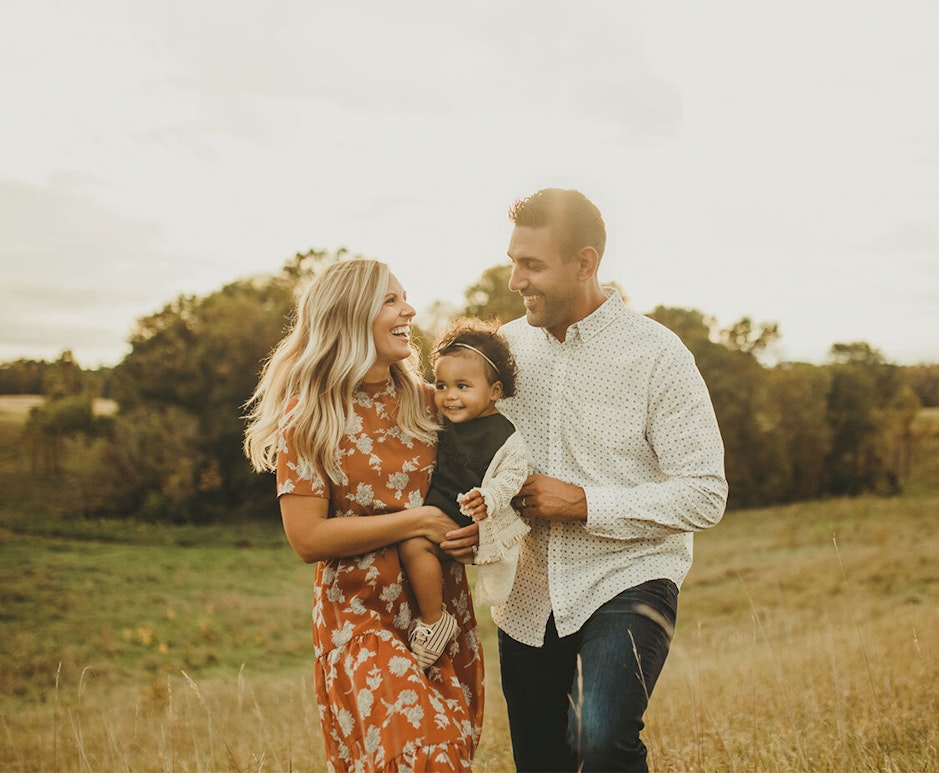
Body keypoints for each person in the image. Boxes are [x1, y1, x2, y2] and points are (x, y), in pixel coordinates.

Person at [486, 188, 728, 772]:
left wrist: (585, 503)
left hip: (630, 576)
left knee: (600, 742)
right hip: (527, 592)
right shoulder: (504, 352)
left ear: (585, 263)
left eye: (533, 265)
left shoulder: (657, 355)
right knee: (540, 760)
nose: (516, 280)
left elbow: (705, 492)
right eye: (514, 261)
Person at [242, 258, 484, 771]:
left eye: (405, 297)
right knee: (422, 754)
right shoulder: (309, 416)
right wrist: (415, 521)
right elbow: (306, 537)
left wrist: (476, 529)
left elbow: (482, 483)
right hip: (359, 621)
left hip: (437, 613)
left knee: (446, 752)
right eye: (391, 300)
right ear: (350, 316)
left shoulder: (433, 403)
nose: (409, 310)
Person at [399, 318, 533, 669]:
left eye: (463, 386)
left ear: (494, 391)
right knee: (412, 550)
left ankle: (433, 620)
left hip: (464, 518)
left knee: (414, 546)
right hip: (435, 507)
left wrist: (488, 498)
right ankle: (431, 617)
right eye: (441, 385)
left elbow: (514, 476)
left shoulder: (505, 435)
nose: (450, 396)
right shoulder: (443, 419)